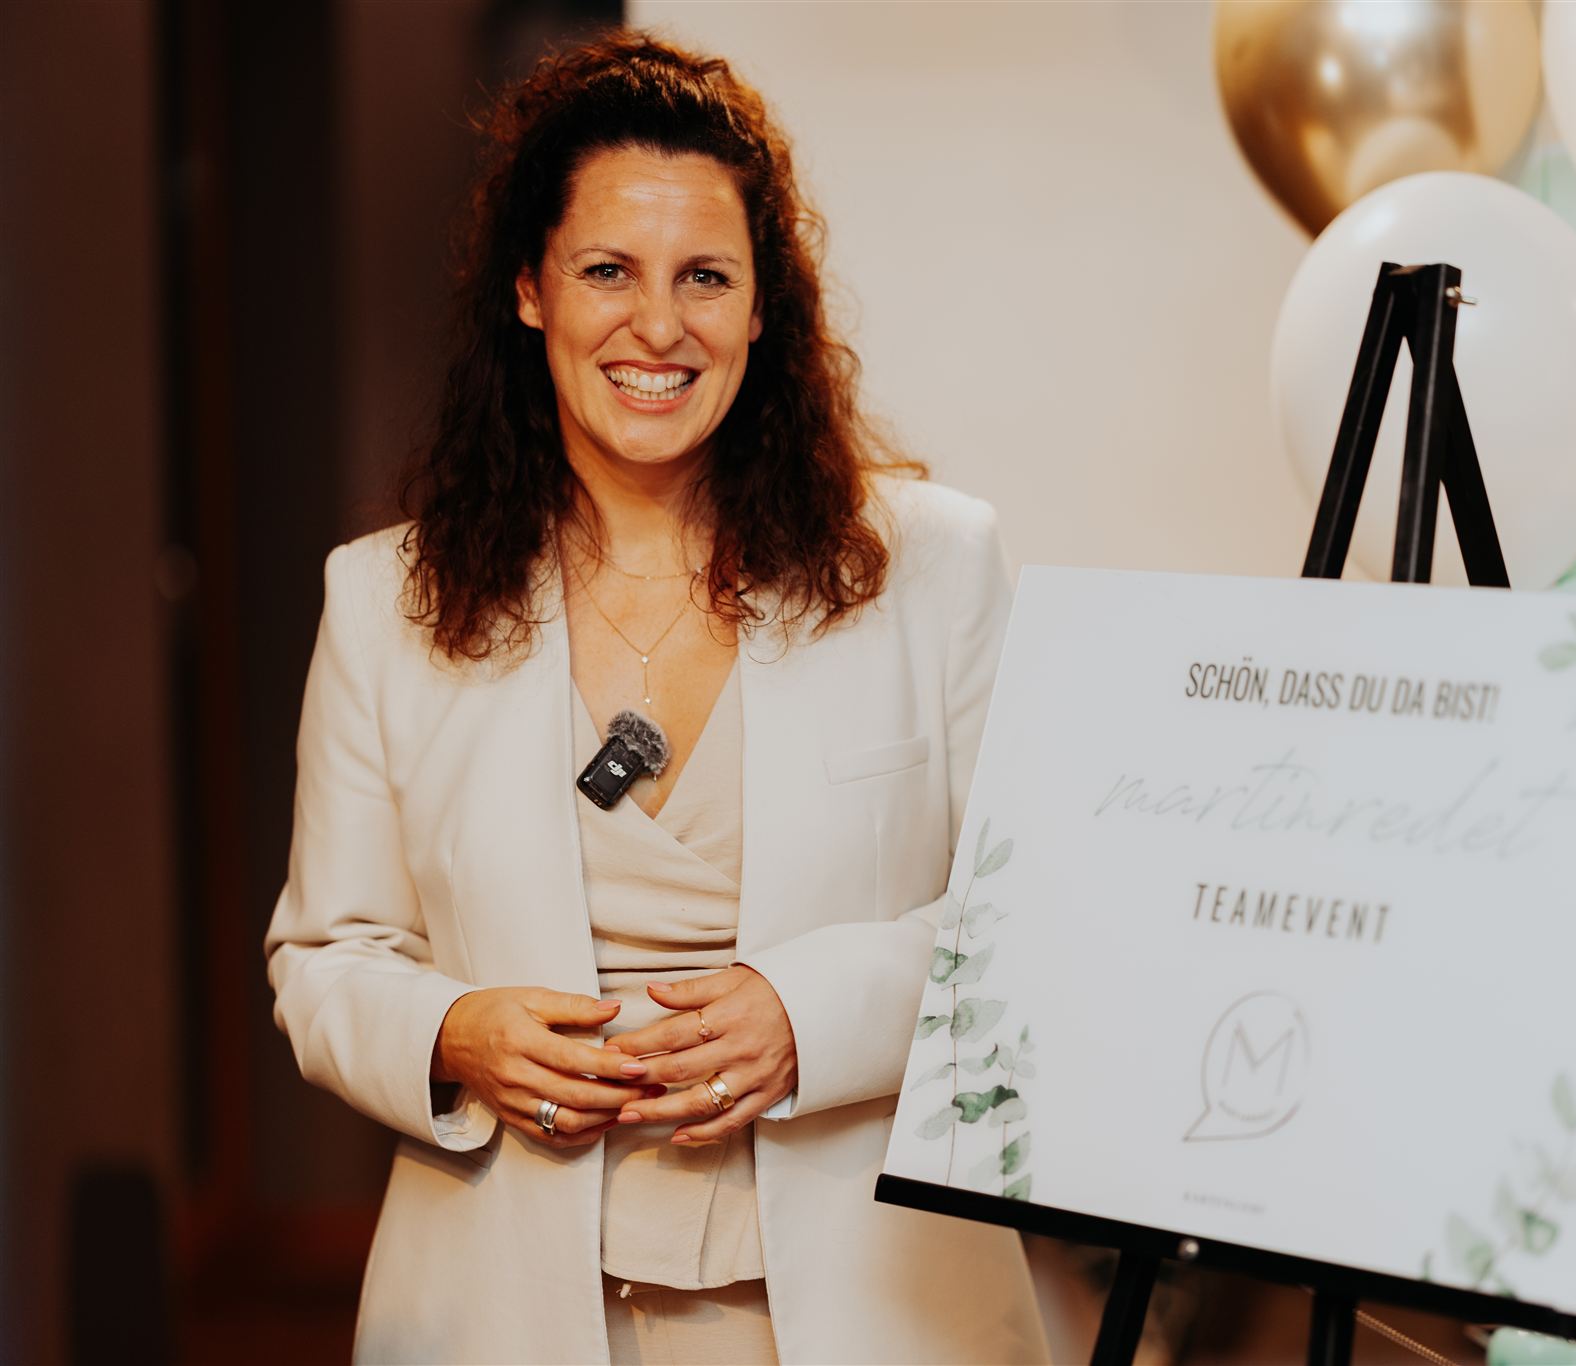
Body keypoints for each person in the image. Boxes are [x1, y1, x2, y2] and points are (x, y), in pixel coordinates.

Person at [263, 31, 1049, 1365]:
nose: (660, 325)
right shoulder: (382, 600)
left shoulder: (931, 565)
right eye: (608, 271)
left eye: (706, 276)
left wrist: (811, 1016)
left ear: (762, 308)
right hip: (504, 1312)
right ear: (531, 291)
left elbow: (1032, 926)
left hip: (870, 1312)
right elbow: (325, 957)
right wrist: (455, 1030)